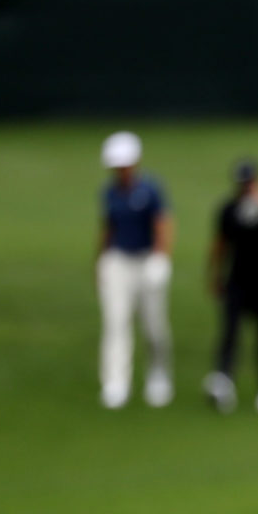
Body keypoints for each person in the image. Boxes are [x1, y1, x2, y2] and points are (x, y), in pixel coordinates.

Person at [204, 160, 258, 417]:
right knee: (229, 334)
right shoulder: (229, 209)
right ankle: (223, 381)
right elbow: (220, 244)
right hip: (237, 281)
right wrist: (215, 275)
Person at [96, 131, 174, 410]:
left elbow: (163, 224)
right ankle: (116, 382)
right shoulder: (109, 192)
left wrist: (161, 258)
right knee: (116, 323)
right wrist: (100, 263)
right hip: (119, 261)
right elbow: (107, 228)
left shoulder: (151, 189)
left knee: (154, 325)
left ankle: (159, 374)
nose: (121, 171)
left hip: (147, 260)